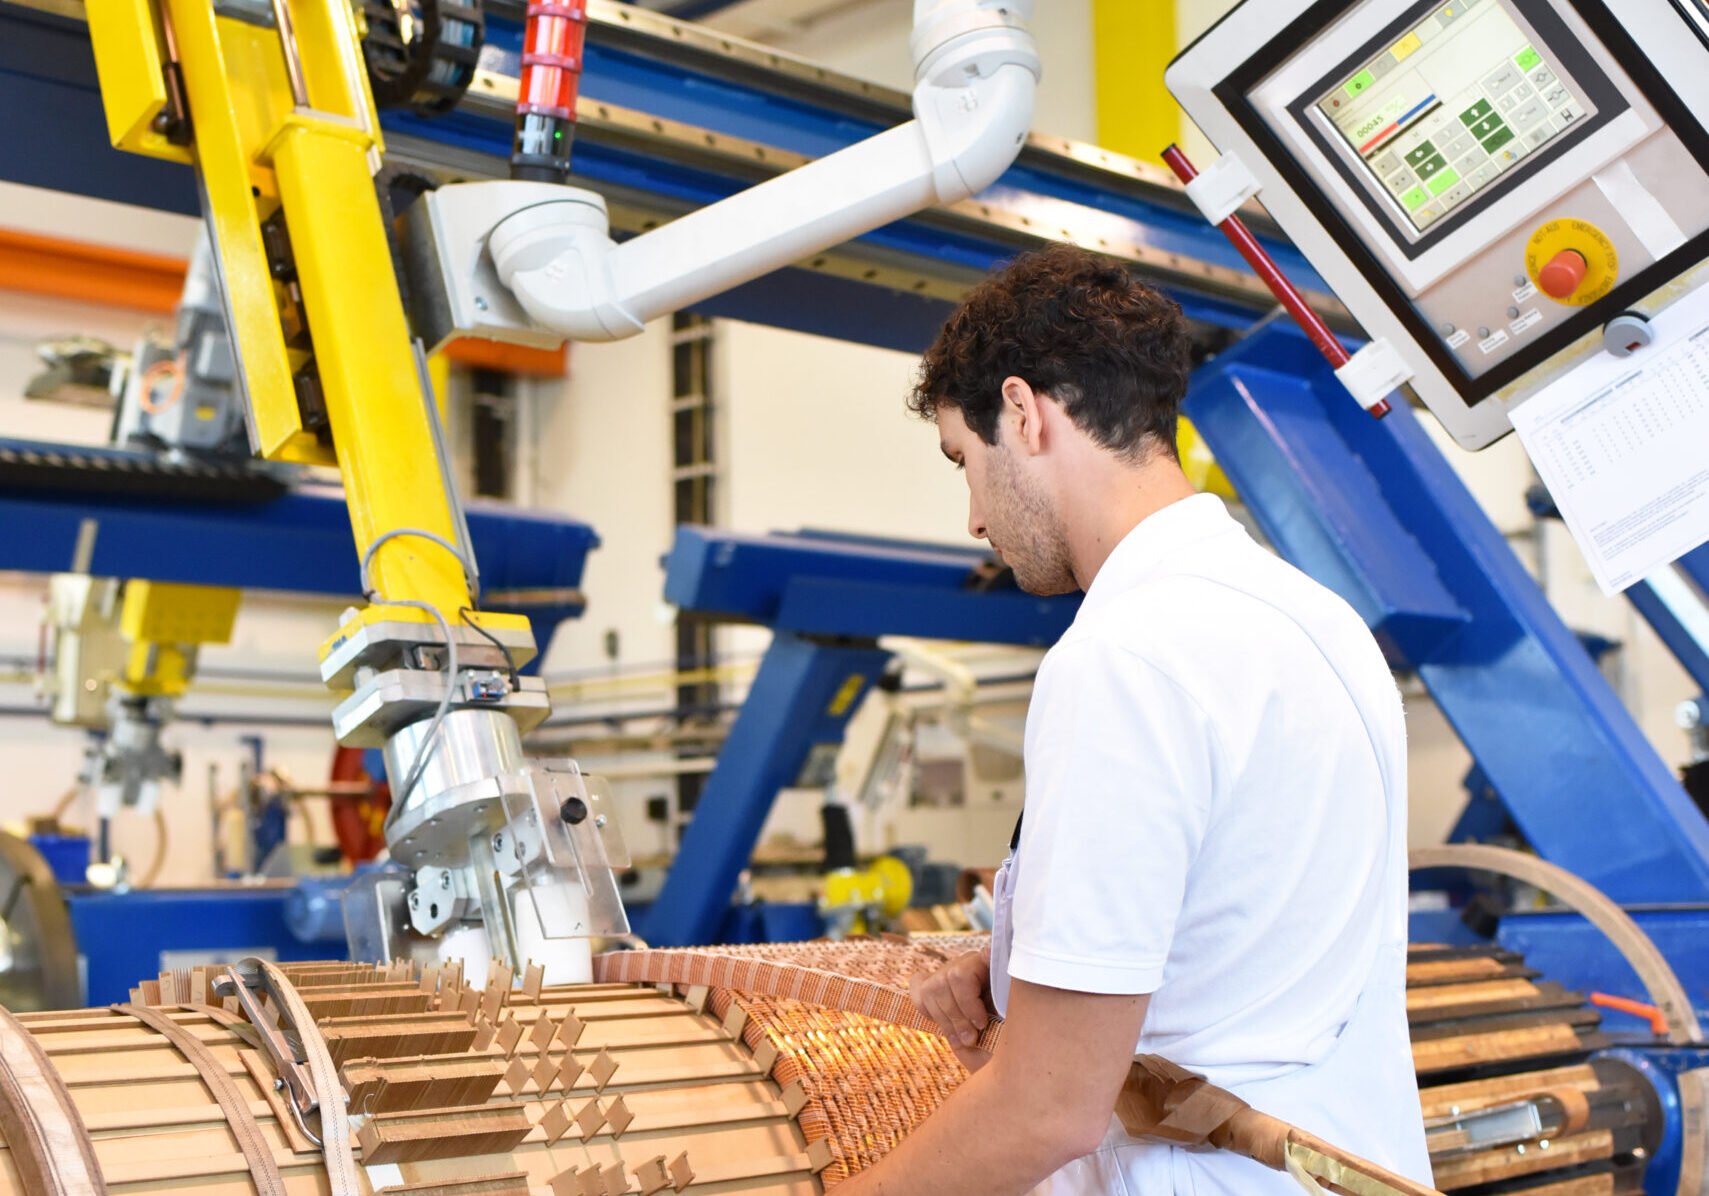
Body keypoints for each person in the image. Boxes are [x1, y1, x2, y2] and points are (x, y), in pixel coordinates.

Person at [831, 244, 1433, 1196]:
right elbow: (1249, 915)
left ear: (1024, 414)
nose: (975, 518)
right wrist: (1022, 962)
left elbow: (1046, 1110)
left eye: (965, 460)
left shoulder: (1123, 656)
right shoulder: (1316, 620)